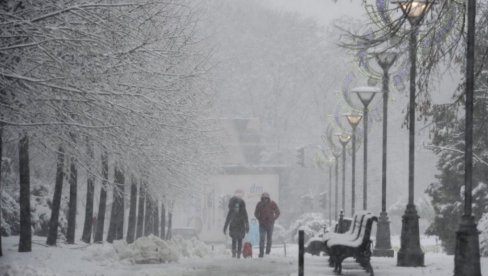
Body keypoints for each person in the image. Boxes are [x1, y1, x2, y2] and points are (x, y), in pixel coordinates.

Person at [223, 191, 249, 258]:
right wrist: (225, 227)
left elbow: (228, 219)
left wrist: (225, 228)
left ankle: (236, 253)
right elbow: (246, 218)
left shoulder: (233, 210)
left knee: (236, 240)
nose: (236, 207)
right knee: (236, 240)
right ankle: (236, 253)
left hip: (236, 226)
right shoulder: (241, 209)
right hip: (238, 226)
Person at [254, 192, 280, 258]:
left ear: (268, 198)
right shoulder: (259, 204)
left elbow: (278, 212)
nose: (265, 199)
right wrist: (259, 218)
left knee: (269, 239)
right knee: (262, 238)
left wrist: (274, 218)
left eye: (266, 198)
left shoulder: (272, 203)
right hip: (262, 224)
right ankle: (261, 253)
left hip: (270, 224)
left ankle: (267, 252)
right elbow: (256, 213)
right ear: (262, 198)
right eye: (263, 198)